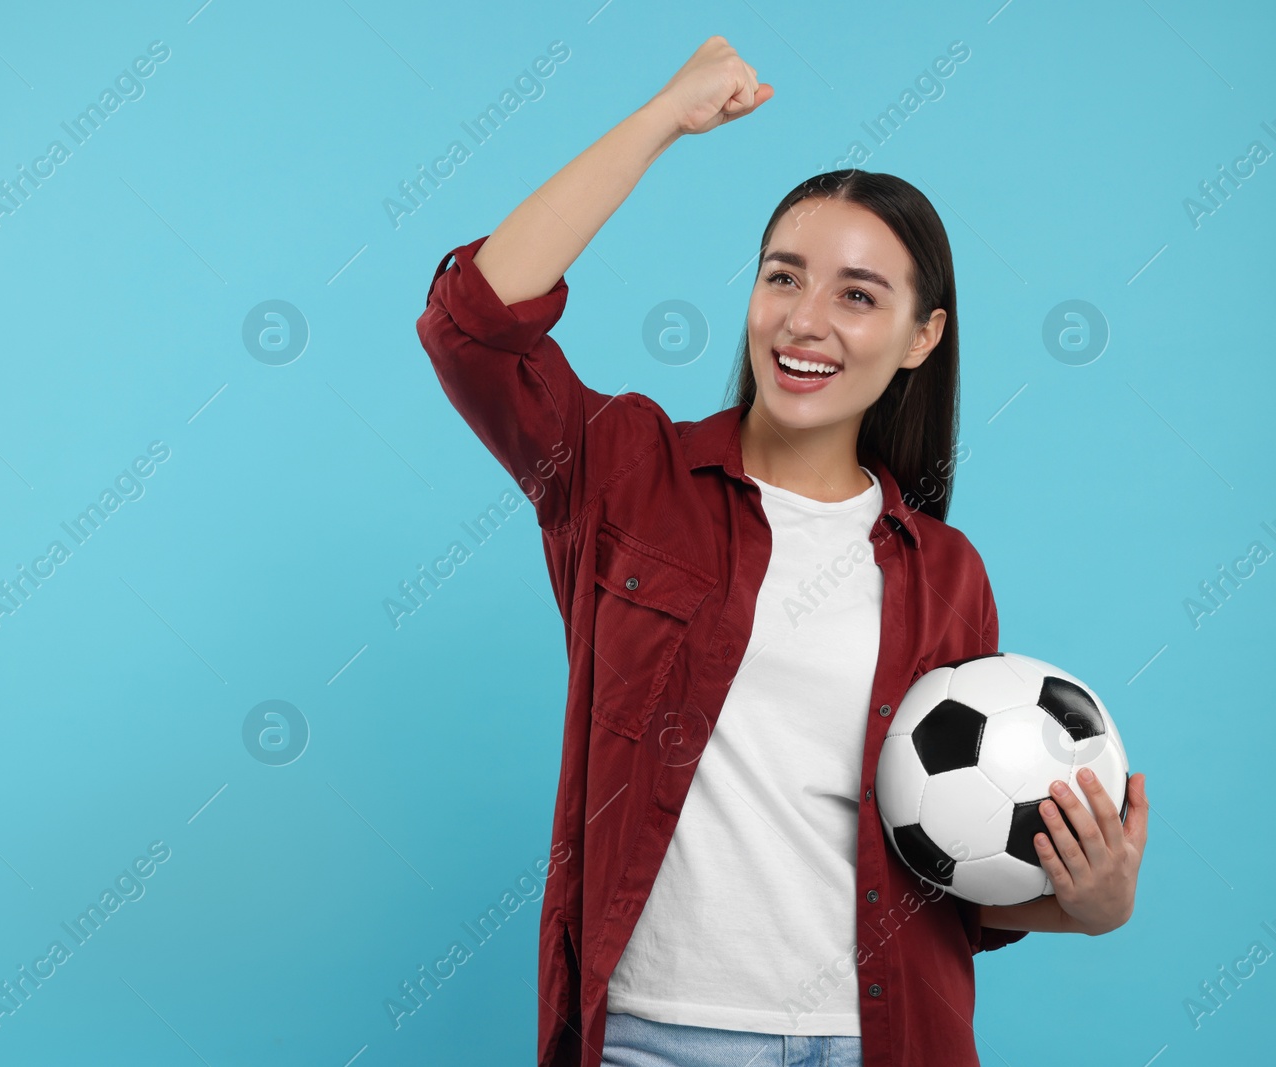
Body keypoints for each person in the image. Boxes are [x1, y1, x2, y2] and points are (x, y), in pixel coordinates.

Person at [415, 35, 1147, 1067]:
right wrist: (663, 115)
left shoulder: (944, 570)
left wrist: (1088, 904)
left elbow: (943, 868)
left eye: (857, 294)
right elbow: (473, 328)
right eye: (782, 277)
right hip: (649, 1040)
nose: (805, 320)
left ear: (921, 336)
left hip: (877, 1040)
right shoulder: (626, 473)